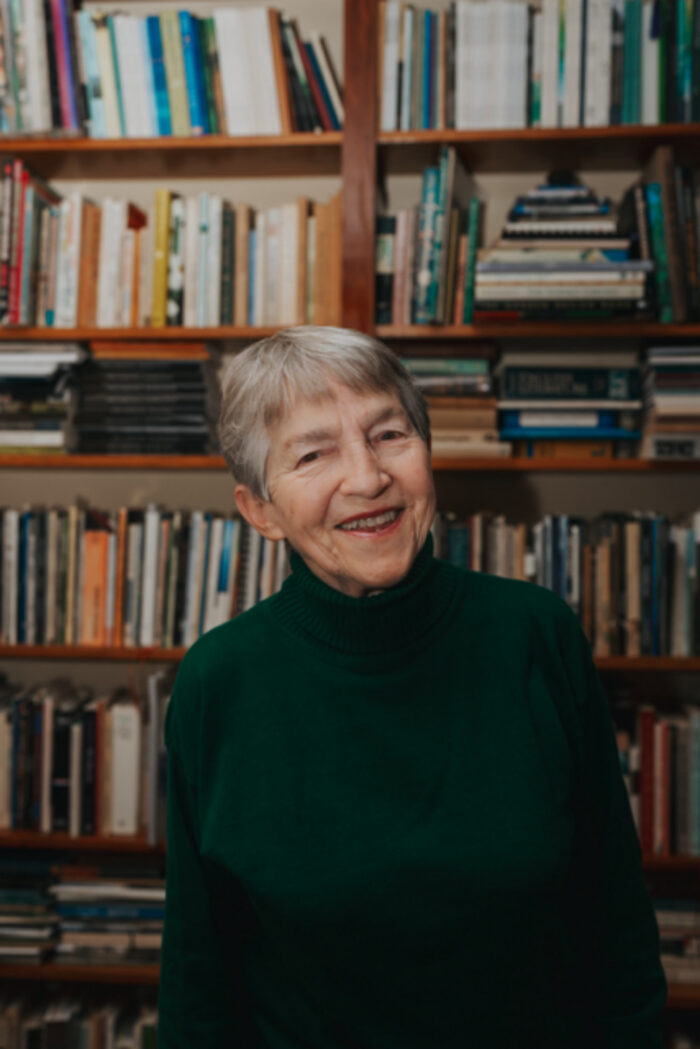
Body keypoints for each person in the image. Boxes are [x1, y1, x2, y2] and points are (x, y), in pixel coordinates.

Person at [157, 325, 667, 1049]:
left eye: (388, 434)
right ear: (259, 510)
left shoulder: (536, 635)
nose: (367, 477)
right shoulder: (217, 681)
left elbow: (614, 928)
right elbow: (198, 976)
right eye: (313, 453)